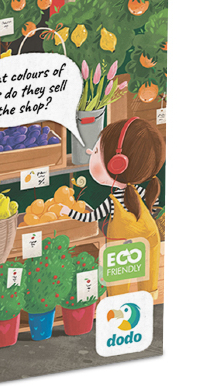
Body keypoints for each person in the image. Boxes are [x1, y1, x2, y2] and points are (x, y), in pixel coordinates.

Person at [60, 117, 165, 291]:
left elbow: (91, 217)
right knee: (148, 287)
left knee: (118, 288)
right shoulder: (141, 191)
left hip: (121, 246)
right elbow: (155, 206)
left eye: (95, 151)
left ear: (117, 164)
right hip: (150, 239)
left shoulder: (112, 199)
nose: (90, 153)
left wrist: (68, 211)